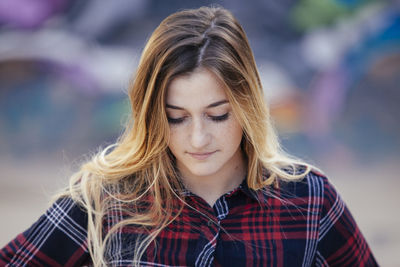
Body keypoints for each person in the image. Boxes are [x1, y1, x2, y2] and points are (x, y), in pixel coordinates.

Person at [0, 6, 378, 267]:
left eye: (217, 115)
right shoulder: (105, 198)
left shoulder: (310, 200)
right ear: (151, 116)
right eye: (176, 118)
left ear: (248, 105)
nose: (198, 139)